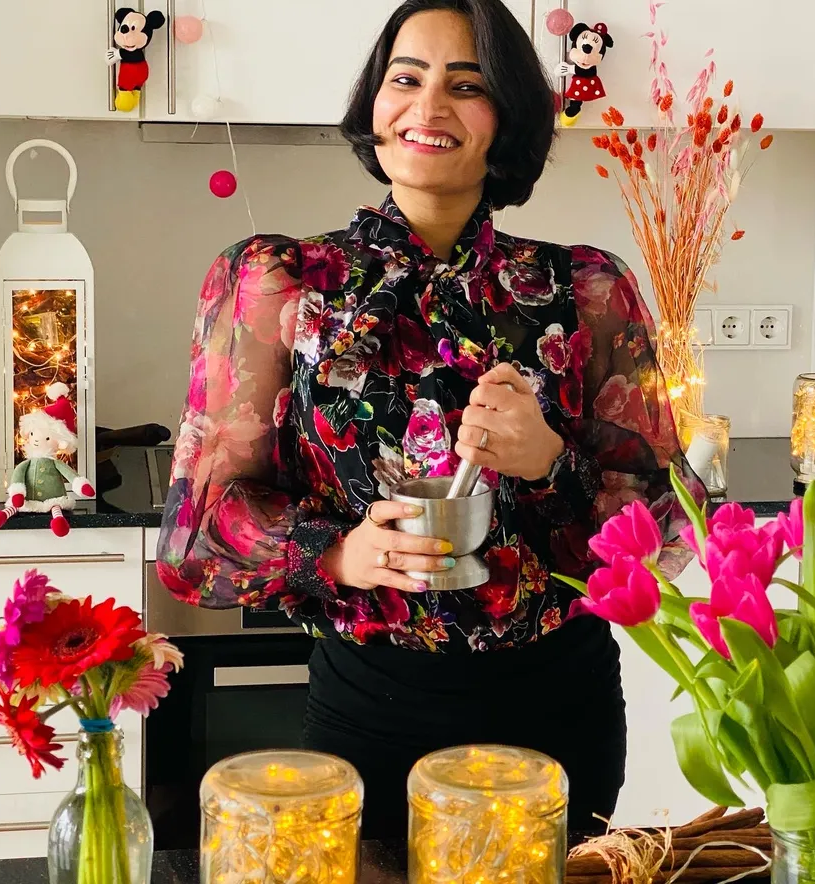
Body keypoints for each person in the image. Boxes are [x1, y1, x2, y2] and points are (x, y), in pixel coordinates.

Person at [157, 0, 703, 841]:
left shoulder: (585, 290)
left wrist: (550, 461)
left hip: (562, 708)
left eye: (466, 84)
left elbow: (668, 526)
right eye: (404, 78)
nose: (428, 105)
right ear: (374, 105)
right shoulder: (280, 283)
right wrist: (338, 550)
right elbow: (198, 531)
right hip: (371, 711)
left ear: (507, 118)